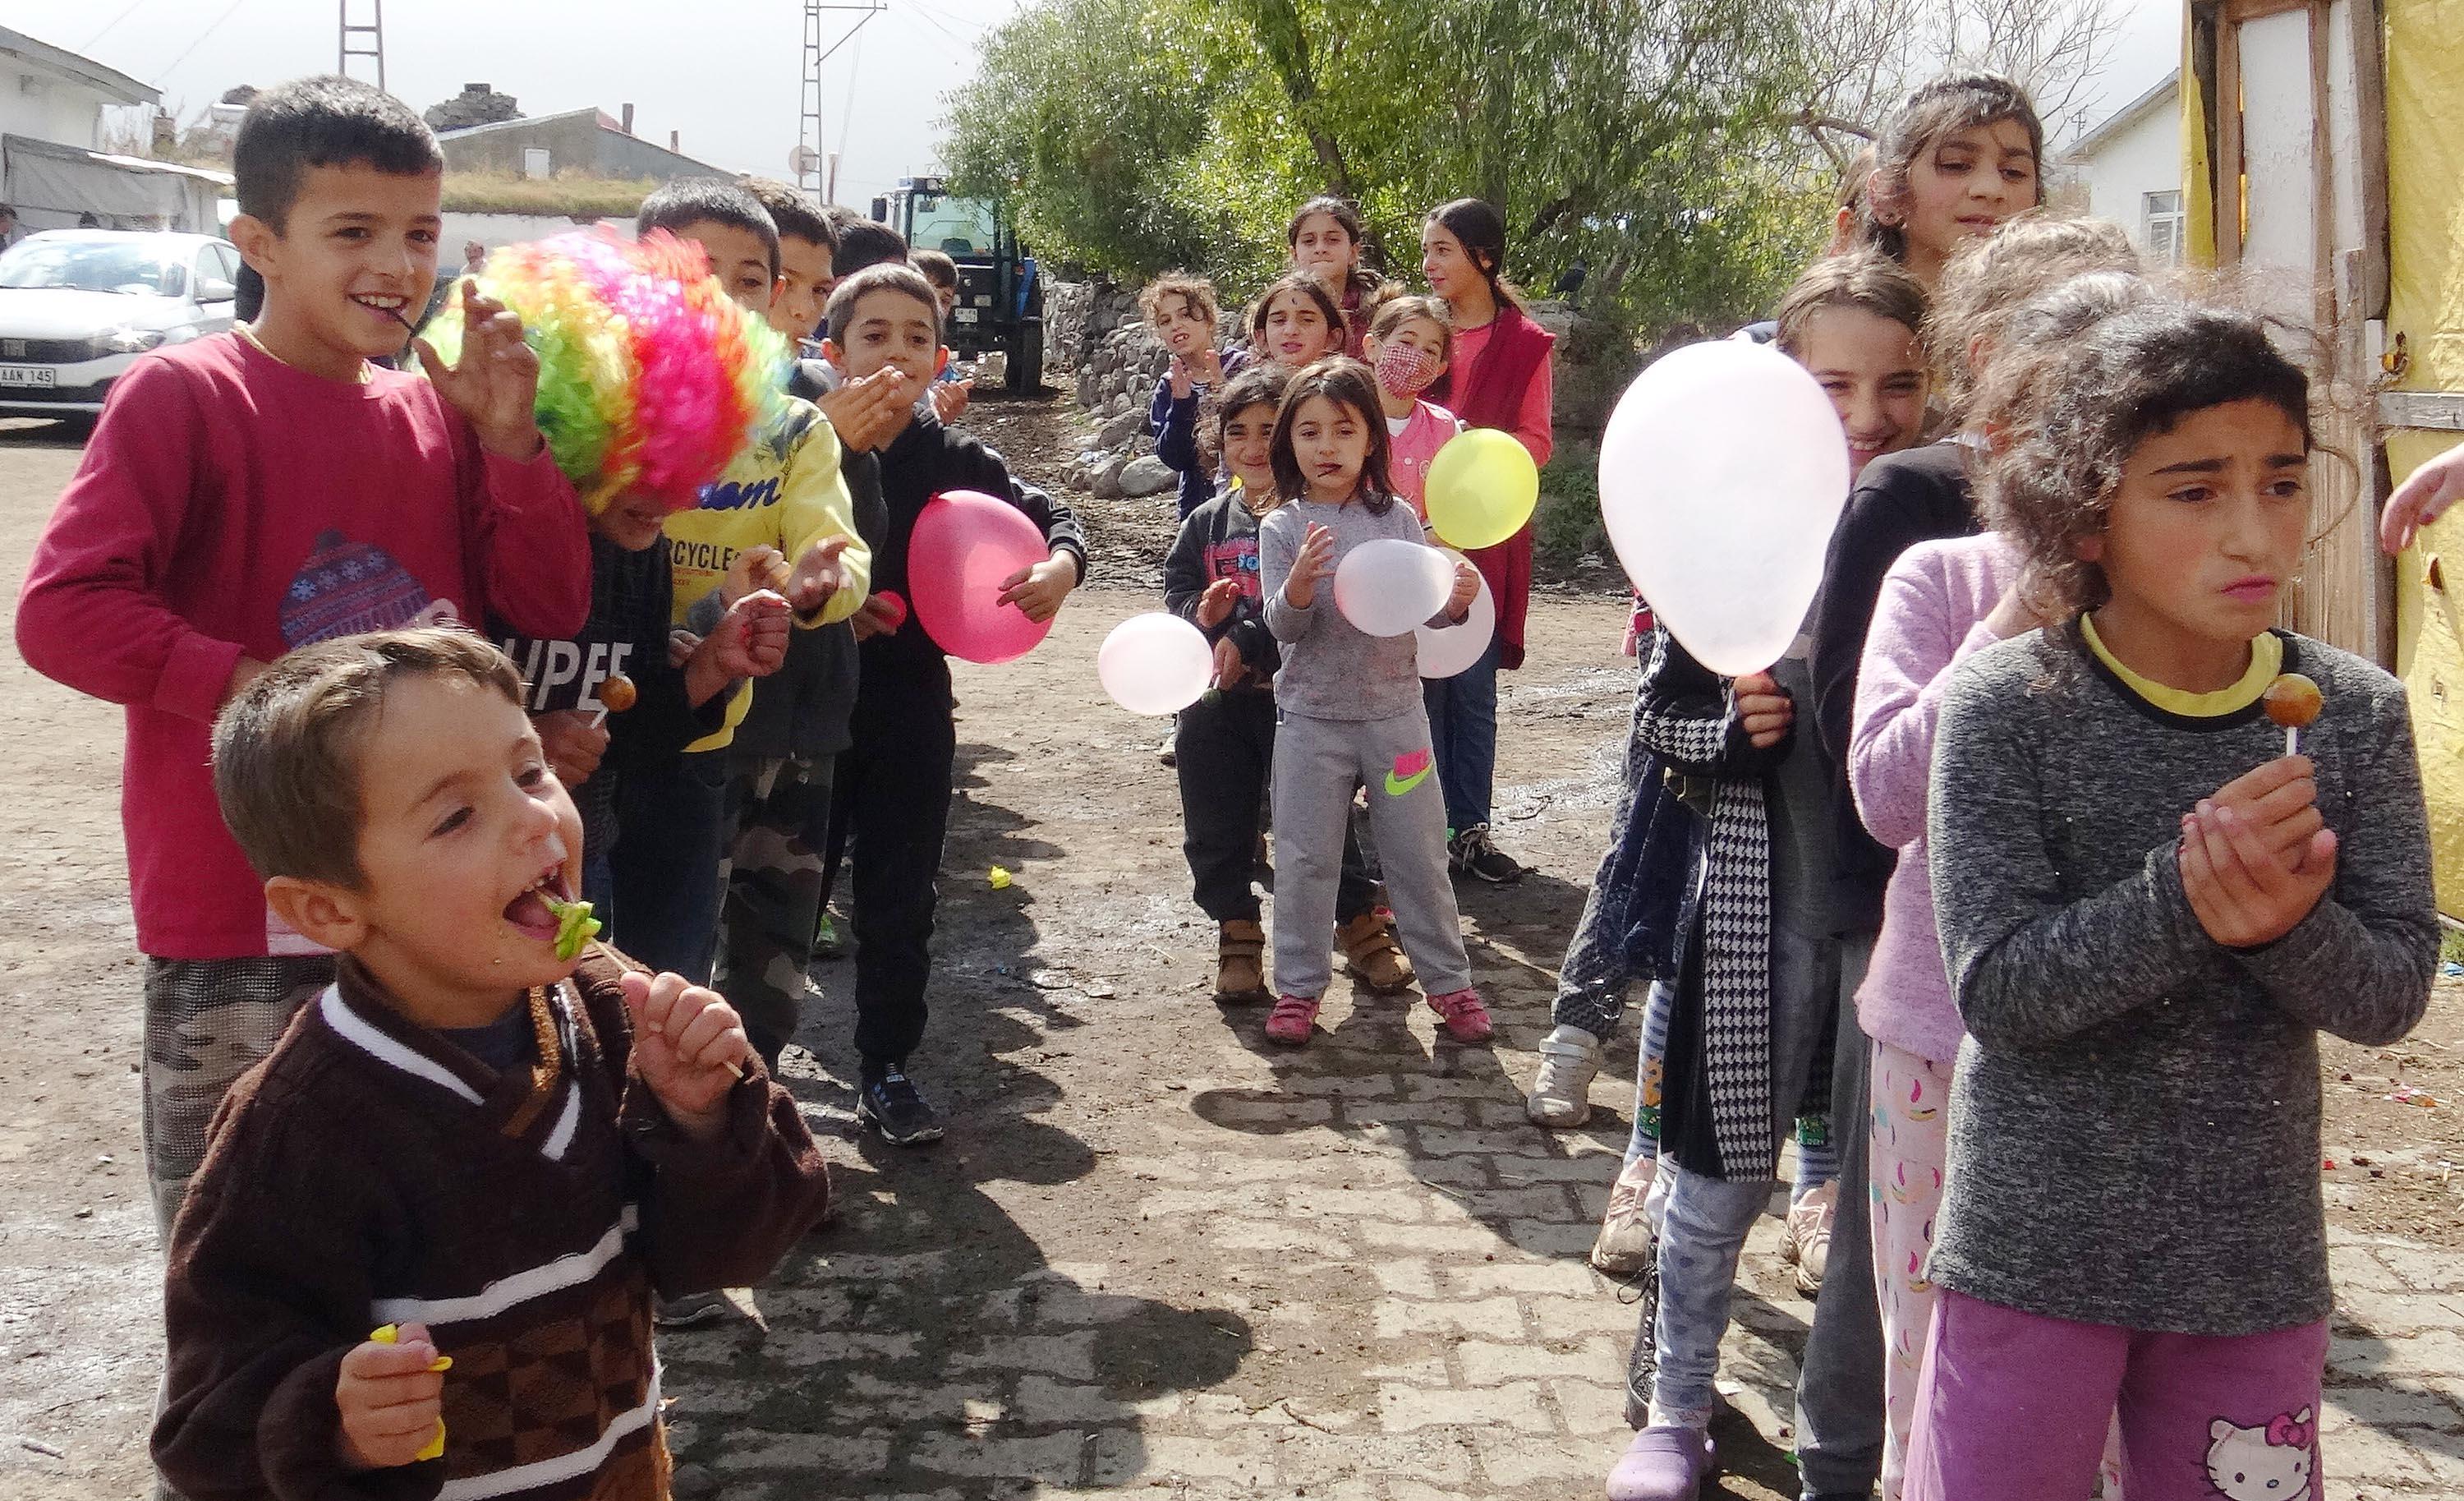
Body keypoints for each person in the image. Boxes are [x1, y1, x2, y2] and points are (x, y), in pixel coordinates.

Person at [11, 75, 591, 1236]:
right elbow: (63, 610)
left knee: (436, 1238)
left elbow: (547, 603)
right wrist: (266, 692)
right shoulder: (183, 395)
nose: (397, 262)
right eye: (354, 231)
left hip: (427, 914)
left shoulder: (434, 414)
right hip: (237, 910)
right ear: (259, 243)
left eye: (420, 232)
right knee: (244, 1249)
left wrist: (512, 443)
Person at [1909, 297, 2435, 1499]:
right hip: (2033, 1257)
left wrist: (2288, 923)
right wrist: (2187, 903)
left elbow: (2395, 987)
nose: (2253, 531)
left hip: (2249, 1269)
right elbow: (2000, 991)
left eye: (2284, 482)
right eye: (2194, 490)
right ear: (2089, 515)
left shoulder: (2350, 712)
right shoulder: (2004, 707)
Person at [153, 628, 832, 1498]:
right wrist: (334, 1423)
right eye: (455, 815)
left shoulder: (610, 1011)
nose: (533, 820)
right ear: (327, 909)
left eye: (530, 771)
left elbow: (721, 1256)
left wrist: (704, 1121)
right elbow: (205, 1425)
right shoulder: (297, 1130)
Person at [1603, 252, 1933, 1501]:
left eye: (1899, 383)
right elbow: (1660, 722)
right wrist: (1725, 725)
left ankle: (1861, 1438)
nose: (1864, 414)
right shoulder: (1732, 535)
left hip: (1899, 925)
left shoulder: (1941, 530)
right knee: (1717, 1163)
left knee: (1873, 1191)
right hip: (1755, 910)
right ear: (1781, 384)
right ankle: (1676, 1404)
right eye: (1832, 381)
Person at [1850, 272, 2154, 1501]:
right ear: (2003, 433)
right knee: (1941, 1382)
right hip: (1940, 1044)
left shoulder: (2198, 606)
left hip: (2140, 1065)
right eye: (2061, 427)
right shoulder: (1942, 580)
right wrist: (2023, 610)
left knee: (2131, 1402)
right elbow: (1885, 795)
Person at [462, 231, 803, 919]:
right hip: (461, 873)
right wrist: (522, 737)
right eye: (637, 463)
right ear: (571, 426)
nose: (669, 496)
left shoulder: (640, 546)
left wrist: (710, 663)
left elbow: (635, 731)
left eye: (685, 465)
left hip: (580, 863)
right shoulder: (482, 536)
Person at [819, 263, 1086, 1144]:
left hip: (907, 711)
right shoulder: (798, 444)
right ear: (833, 353)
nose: (897, 353)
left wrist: (1058, 568)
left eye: (917, 337)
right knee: (777, 900)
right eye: (874, 335)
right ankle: (748, 1083)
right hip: (797, 712)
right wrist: (821, 608)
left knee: (901, 895)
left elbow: (1056, 520)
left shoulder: (954, 459)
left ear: (941, 358)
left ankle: (886, 1067)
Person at [610, 182, 870, 1015]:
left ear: (776, 297)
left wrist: (817, 588)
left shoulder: (797, 429)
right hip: (577, 740)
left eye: (748, 280)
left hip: (700, 735)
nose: (720, 298)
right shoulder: (586, 411)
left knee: (668, 974)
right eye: (692, 271)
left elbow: (834, 544)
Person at [1257, 357, 1492, 1047]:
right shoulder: (1283, 528)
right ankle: (1299, 987)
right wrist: (1298, 586)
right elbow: (1283, 629)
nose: (1326, 446)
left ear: (1370, 442)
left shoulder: (1399, 523)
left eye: (1343, 430)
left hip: (1396, 718)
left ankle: (1449, 984)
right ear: (1288, 443)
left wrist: (1453, 603)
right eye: (1308, 431)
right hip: (1310, 723)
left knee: (1419, 855)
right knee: (1304, 859)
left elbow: (1424, 614)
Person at [1164, 362, 1413, 1002]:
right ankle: (1237, 934)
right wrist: (1203, 615)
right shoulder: (1205, 523)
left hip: (1298, 705)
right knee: (1217, 824)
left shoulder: (1308, 520)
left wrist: (1246, 635)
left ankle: (1360, 925)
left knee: (1322, 829)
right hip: (1220, 706)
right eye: (1237, 431)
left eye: (1268, 430)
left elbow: (1306, 614)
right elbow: (1179, 597)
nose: (1252, 445)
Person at [1418, 197, 1554, 883]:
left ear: (1485, 257)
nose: (1429, 264)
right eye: (1427, 250)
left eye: (1442, 249)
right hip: (1413, 533)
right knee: (1415, 685)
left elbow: (1537, 440)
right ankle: (1418, 832)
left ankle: (1470, 828)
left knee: (1470, 685)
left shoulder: (1527, 343)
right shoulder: (1416, 331)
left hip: (1485, 533)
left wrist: (1474, 455)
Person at [1862, 72, 2043, 288]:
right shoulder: (1837, 316)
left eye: (2013, 172)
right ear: (1885, 194)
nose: (1991, 189)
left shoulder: (2063, 316)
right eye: (1955, 165)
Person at [1143, 272, 1240, 519]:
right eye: (1165, 321)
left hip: (1247, 501)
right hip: (1199, 509)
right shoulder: (1169, 386)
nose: (1176, 325)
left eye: (1185, 314)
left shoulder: (1242, 367)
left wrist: (1223, 392)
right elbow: (1175, 458)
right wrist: (1182, 404)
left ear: (1208, 320)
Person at [1361, 295, 1460, 513]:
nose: (1415, 356)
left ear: (1440, 369)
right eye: (1406, 342)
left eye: (1430, 351)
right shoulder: (1346, 420)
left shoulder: (1445, 428)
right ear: (1372, 347)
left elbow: (1453, 501)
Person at [1286, 196, 1394, 357]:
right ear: (1294, 254)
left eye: (1332, 240)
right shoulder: (1276, 313)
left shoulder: (1383, 315)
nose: (1320, 248)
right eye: (1309, 241)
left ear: (1354, 252)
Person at [1244, 270, 1345, 370]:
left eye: (1307, 320)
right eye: (1279, 321)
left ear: (1333, 338)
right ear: (1261, 338)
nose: (1290, 331)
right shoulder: (1243, 384)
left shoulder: (1350, 385)